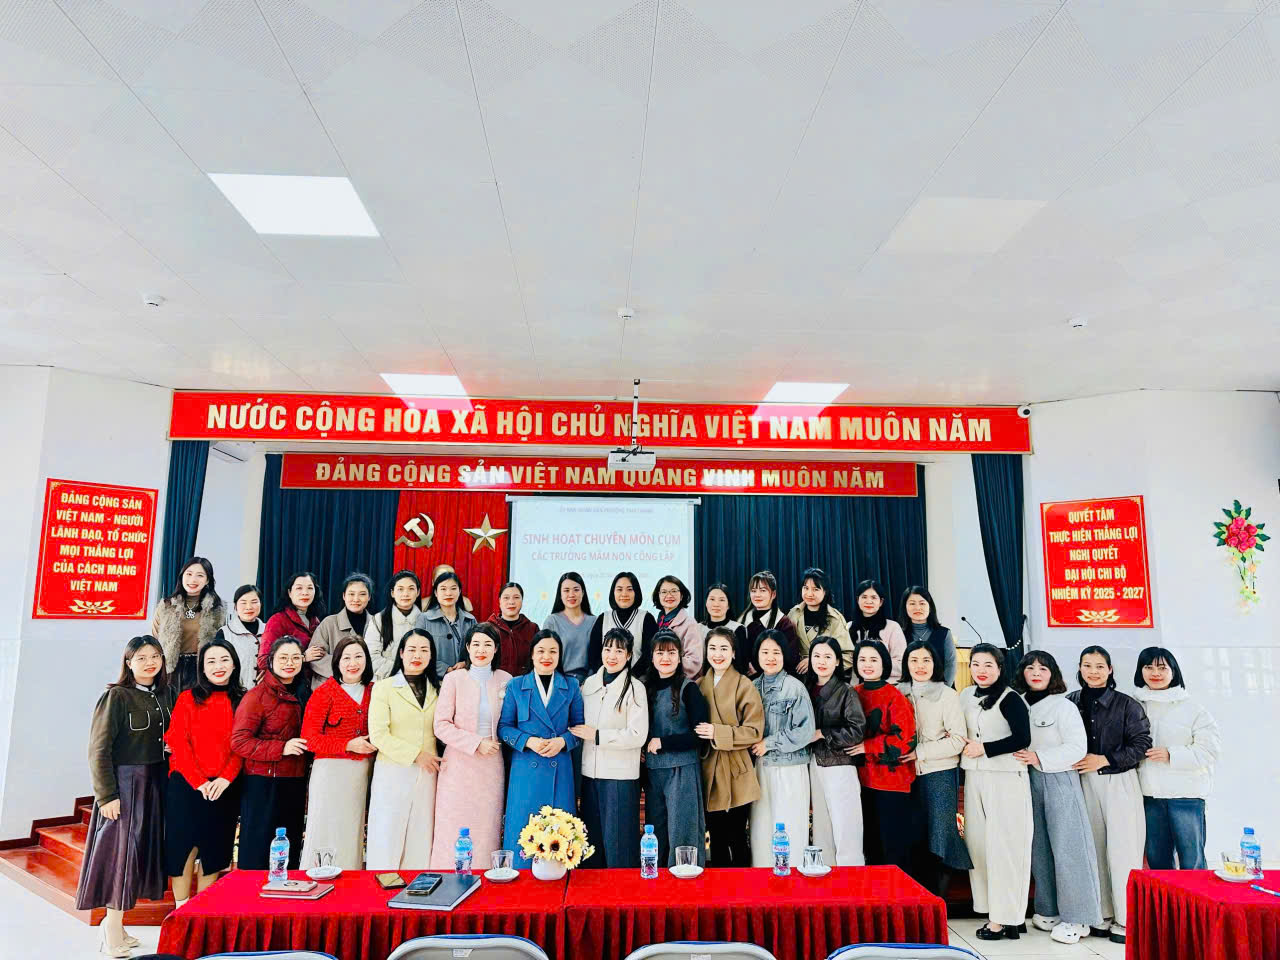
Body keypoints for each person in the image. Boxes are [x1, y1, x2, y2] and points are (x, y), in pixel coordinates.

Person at [76, 636, 174, 958]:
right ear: (129, 663)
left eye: (155, 656)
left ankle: (118, 925)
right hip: (125, 786)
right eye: (141, 657)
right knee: (122, 855)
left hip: (155, 784)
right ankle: (111, 928)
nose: (150, 662)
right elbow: (98, 750)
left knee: (139, 856)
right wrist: (107, 795)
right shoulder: (116, 696)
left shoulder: (165, 694)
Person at [1012, 650, 1103, 945]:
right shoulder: (1017, 702)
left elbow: (1077, 747)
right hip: (1027, 780)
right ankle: (1048, 909)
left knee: (1069, 847)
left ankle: (1079, 917)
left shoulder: (1063, 707)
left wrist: (1039, 756)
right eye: (1030, 668)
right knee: (1038, 847)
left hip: (1059, 778)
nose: (1036, 673)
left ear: (1053, 674)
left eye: (1043, 668)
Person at [1068, 645, 1152, 944]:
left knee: (1124, 851)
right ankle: (1101, 915)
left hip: (1119, 782)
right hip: (1083, 783)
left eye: (1099, 666)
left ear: (1110, 670)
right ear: (1080, 668)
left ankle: (1126, 919)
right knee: (1093, 850)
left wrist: (1105, 759)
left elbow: (1142, 744)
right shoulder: (1070, 702)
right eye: (1087, 665)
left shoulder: (1127, 704)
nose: (1093, 671)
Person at [165, 638, 245, 912]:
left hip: (225, 786)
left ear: (234, 664)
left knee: (215, 849)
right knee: (183, 848)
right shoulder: (187, 698)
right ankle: (181, 911)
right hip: (186, 785)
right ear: (202, 667)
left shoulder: (243, 700)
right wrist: (199, 782)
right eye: (211, 661)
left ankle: (201, 913)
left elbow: (241, 744)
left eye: (224, 660)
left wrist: (225, 779)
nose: (218, 666)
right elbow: (178, 742)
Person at [960, 643, 1033, 942]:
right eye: (976, 664)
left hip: (1005, 778)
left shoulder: (1010, 698)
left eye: (988, 665)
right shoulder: (966, 695)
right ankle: (997, 911)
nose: (981, 670)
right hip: (974, 777)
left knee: (1006, 848)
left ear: (1000, 668)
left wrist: (985, 748)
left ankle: (1005, 919)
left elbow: (1022, 737)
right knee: (979, 847)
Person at [498, 630, 585, 869]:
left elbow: (579, 728)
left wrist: (563, 741)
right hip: (526, 769)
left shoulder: (571, 685)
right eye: (541, 651)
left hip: (560, 770)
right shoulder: (516, 685)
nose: (547, 656)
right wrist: (528, 741)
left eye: (553, 651)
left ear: (560, 655)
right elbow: (504, 727)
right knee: (522, 834)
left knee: (561, 836)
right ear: (532, 655)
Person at [1133, 646, 1221, 872]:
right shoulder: (1133, 705)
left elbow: (1210, 750)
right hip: (1149, 795)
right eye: (1149, 667)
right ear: (1140, 671)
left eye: (1162, 668)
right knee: (1157, 861)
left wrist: (1171, 754)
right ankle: (1165, 899)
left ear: (1174, 671)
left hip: (1186, 796)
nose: (1155, 673)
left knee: (1192, 861)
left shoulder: (1193, 709)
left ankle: (1196, 898)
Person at [432, 623, 512, 869]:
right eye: (476, 644)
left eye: (488, 644)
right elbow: (441, 725)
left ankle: (485, 876)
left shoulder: (506, 680)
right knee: (453, 825)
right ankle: (448, 877)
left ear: (496, 649)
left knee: (487, 826)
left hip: (491, 765)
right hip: (458, 765)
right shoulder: (454, 679)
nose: (481, 650)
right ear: (467, 647)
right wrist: (476, 743)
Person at [898, 639, 971, 897]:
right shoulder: (897, 691)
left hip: (939, 772)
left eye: (926, 660)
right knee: (913, 836)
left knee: (940, 836)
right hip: (905, 775)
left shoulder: (947, 694)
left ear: (935, 664)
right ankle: (915, 898)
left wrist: (920, 752)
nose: (920, 666)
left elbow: (958, 740)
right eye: (914, 660)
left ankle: (938, 899)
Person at [366, 629, 442, 869]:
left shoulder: (438, 689)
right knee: (387, 834)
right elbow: (378, 735)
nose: (417, 655)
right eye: (412, 649)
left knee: (421, 835)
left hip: (428, 773)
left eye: (424, 650)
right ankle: (381, 885)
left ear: (431, 655)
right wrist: (415, 755)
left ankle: (416, 886)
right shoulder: (383, 688)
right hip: (393, 771)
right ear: (400, 653)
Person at [571, 626, 647, 868]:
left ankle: (622, 891)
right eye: (607, 649)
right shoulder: (588, 685)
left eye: (619, 651)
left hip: (619, 777)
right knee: (591, 846)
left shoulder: (635, 688)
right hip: (589, 775)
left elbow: (638, 735)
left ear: (629, 655)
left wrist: (598, 736)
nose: (612, 655)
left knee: (619, 846)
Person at [232, 636, 308, 871]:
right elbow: (239, 742)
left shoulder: (305, 692)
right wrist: (281, 747)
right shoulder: (256, 696)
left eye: (296, 657)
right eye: (283, 657)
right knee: (259, 852)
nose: (290, 663)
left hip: (294, 782)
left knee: (288, 854)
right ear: (271, 661)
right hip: (263, 783)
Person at [300, 637, 377, 870]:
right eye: (346, 658)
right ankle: (317, 876)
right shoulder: (324, 692)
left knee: (351, 829)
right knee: (325, 827)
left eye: (358, 657)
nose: (353, 663)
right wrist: (347, 745)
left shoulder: (375, 691)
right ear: (337, 662)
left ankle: (350, 879)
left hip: (361, 773)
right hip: (330, 772)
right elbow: (309, 739)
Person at [696, 625, 763, 867]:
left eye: (724, 648)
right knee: (716, 838)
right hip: (709, 769)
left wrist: (718, 732)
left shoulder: (745, 685)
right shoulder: (700, 684)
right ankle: (719, 889)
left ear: (734, 653)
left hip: (736, 770)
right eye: (712, 648)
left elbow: (754, 731)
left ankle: (743, 888)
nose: (718, 654)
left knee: (737, 836)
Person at [749, 629, 815, 868]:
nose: (770, 657)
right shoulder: (751, 687)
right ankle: (762, 882)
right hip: (760, 768)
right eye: (765, 652)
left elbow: (805, 731)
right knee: (760, 830)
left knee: (790, 828)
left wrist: (769, 743)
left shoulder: (794, 688)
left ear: (784, 654)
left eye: (776, 652)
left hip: (789, 768)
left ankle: (792, 882)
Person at [642, 630, 709, 867]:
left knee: (683, 829)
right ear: (651, 657)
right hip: (653, 771)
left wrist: (664, 742)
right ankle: (657, 882)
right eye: (660, 653)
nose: (665, 658)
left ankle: (685, 880)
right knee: (655, 832)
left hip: (682, 769)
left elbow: (700, 735)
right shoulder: (644, 688)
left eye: (671, 653)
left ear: (680, 657)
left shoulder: (689, 689)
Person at [848, 638, 916, 870]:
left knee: (893, 849)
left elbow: (906, 741)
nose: (867, 664)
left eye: (873, 659)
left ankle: (896, 893)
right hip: (860, 782)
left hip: (891, 784)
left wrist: (868, 746)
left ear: (884, 663)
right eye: (862, 659)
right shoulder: (852, 693)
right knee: (869, 848)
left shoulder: (895, 697)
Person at [805, 636, 866, 865]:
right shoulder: (806, 688)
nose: (821, 661)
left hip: (839, 765)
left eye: (828, 657)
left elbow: (856, 731)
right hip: (814, 763)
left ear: (838, 661)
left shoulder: (846, 691)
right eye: (817, 656)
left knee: (846, 827)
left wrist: (823, 733)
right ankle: (826, 876)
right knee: (822, 827)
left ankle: (852, 878)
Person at [151, 557, 226, 690]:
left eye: (200, 575)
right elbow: (155, 642)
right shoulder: (166, 606)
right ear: (182, 576)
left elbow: (220, 644)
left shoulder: (216, 609)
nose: (193, 580)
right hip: (170, 671)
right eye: (189, 574)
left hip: (201, 670)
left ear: (207, 580)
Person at [308, 572, 374, 690]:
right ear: (344, 596)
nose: (356, 599)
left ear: (369, 597)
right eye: (351, 594)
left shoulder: (377, 624)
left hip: (366, 687)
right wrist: (346, 671)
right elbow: (316, 658)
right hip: (331, 686)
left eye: (362, 594)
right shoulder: (329, 623)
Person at [257, 572, 325, 679]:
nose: (305, 593)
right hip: (289, 684)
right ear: (289, 592)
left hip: (313, 682)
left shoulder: (315, 621)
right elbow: (263, 661)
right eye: (299, 588)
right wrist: (303, 657)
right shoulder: (277, 620)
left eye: (310, 588)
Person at [587, 572, 658, 672]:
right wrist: (607, 676)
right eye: (619, 589)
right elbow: (594, 655)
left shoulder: (646, 618)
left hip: (638, 678)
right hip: (606, 678)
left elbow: (649, 655)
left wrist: (629, 677)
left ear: (636, 592)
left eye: (629, 589)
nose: (624, 594)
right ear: (613, 592)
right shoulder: (603, 618)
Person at [788, 568, 853, 672]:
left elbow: (848, 657)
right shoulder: (793, 613)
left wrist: (815, 662)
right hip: (797, 672)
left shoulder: (835, 618)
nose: (809, 594)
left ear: (825, 592)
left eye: (815, 589)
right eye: (806, 588)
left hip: (824, 675)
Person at [418, 570, 477, 679]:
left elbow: (477, 648)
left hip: (465, 678)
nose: (448, 593)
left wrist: (466, 663)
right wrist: (444, 669)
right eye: (443, 589)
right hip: (434, 680)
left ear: (459, 591)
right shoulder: (424, 619)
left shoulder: (470, 620)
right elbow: (418, 651)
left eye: (453, 588)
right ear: (436, 592)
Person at [365, 570, 421, 680]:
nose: (405, 594)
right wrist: (403, 672)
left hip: (418, 680)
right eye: (400, 589)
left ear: (418, 592)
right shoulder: (378, 620)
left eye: (411, 589)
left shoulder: (425, 620)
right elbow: (371, 656)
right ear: (392, 593)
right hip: (385, 681)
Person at [897, 586, 957, 687]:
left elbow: (950, 664)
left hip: (941, 689)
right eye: (912, 603)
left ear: (930, 607)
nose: (917, 608)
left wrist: (944, 689)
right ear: (905, 607)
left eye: (922, 603)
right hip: (908, 690)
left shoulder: (944, 633)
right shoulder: (898, 633)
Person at [542, 572, 597, 684]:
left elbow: (597, 658)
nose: (571, 594)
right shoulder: (552, 621)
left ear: (583, 592)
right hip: (558, 682)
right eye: (566, 590)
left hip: (588, 683)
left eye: (576, 590)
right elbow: (545, 655)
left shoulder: (594, 621)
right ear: (560, 594)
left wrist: (588, 683)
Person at [849, 579, 907, 683]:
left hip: (886, 685)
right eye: (864, 597)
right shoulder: (848, 627)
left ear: (881, 602)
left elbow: (903, 664)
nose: (868, 601)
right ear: (857, 600)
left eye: (873, 597)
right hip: (856, 688)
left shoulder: (893, 627)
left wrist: (875, 666)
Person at [739, 570, 801, 667]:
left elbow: (790, 659)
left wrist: (759, 669)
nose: (757, 595)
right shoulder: (742, 620)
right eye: (753, 591)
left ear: (773, 594)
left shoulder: (783, 623)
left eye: (763, 590)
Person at [652, 575, 705, 679]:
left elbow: (694, 661)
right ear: (658, 596)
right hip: (658, 679)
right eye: (664, 592)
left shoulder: (690, 623)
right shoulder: (657, 622)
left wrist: (668, 671)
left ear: (681, 596)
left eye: (674, 591)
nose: (669, 595)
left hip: (678, 680)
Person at [215, 584, 264, 688]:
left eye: (254, 602)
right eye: (243, 602)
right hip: (235, 692)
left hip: (267, 692)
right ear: (235, 606)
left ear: (261, 604)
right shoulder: (225, 633)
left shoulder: (270, 630)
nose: (249, 607)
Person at [487, 581, 537, 677]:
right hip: (495, 682)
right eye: (506, 598)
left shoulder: (532, 628)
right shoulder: (489, 628)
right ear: (499, 601)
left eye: (516, 597)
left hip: (524, 682)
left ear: (522, 600)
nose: (511, 602)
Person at [699, 583, 751, 676]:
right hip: (702, 680)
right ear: (706, 603)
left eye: (722, 600)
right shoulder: (697, 629)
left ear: (728, 605)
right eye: (712, 599)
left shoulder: (738, 629)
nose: (716, 604)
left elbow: (742, 666)